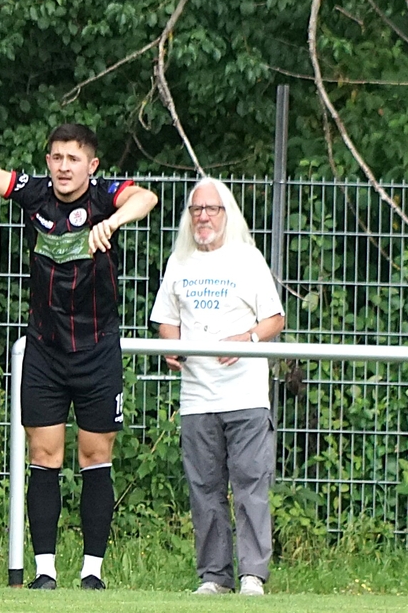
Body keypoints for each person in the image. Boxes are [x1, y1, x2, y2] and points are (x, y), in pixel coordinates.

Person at [0, 123, 158, 590]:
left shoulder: (106, 196)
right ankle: (44, 572)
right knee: (44, 454)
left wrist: (112, 223)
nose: (64, 167)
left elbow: (147, 197)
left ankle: (92, 574)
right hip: (45, 349)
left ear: (92, 165)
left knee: (95, 454)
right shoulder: (34, 193)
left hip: (97, 349)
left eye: (74, 159)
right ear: (48, 162)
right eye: (57, 157)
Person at [149, 177, 285, 596]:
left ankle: (252, 575)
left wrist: (248, 339)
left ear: (227, 213)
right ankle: (214, 576)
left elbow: (275, 318)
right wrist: (171, 346)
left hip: (245, 395)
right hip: (197, 397)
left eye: (211, 209)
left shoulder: (248, 259)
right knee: (204, 489)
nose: (203, 217)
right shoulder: (180, 262)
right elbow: (165, 319)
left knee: (250, 485)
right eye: (196, 210)